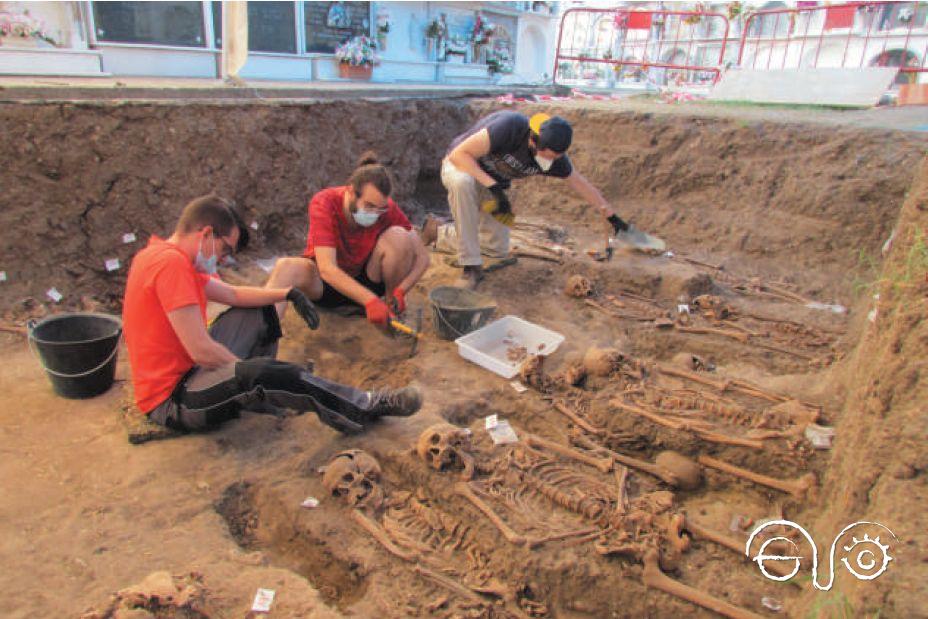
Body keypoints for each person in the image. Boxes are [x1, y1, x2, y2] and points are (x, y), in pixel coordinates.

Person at [122, 194, 422, 433]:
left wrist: (286, 294)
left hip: (191, 374)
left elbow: (233, 294)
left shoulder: (168, 257)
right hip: (175, 399)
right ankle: (362, 406)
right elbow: (201, 350)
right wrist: (253, 374)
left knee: (259, 312)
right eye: (225, 250)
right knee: (267, 373)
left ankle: (261, 387)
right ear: (207, 233)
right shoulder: (170, 265)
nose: (225, 260)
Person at [434, 111, 664, 288]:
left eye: (557, 157)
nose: (551, 162)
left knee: (497, 249)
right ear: (533, 142)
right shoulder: (510, 127)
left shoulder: (556, 159)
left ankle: (438, 232)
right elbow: (459, 155)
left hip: (493, 184)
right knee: (462, 184)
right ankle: (470, 266)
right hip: (462, 167)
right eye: (548, 156)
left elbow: (582, 184)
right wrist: (493, 187)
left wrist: (615, 220)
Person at [267, 152, 430, 327]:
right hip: (327, 287)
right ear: (351, 191)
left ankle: (390, 308)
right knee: (286, 267)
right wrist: (370, 301)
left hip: (368, 281)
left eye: (380, 209)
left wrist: (400, 290)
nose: (374, 214)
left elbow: (423, 258)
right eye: (369, 206)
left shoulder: (386, 208)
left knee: (399, 236)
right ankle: (263, 334)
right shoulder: (325, 203)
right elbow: (327, 269)